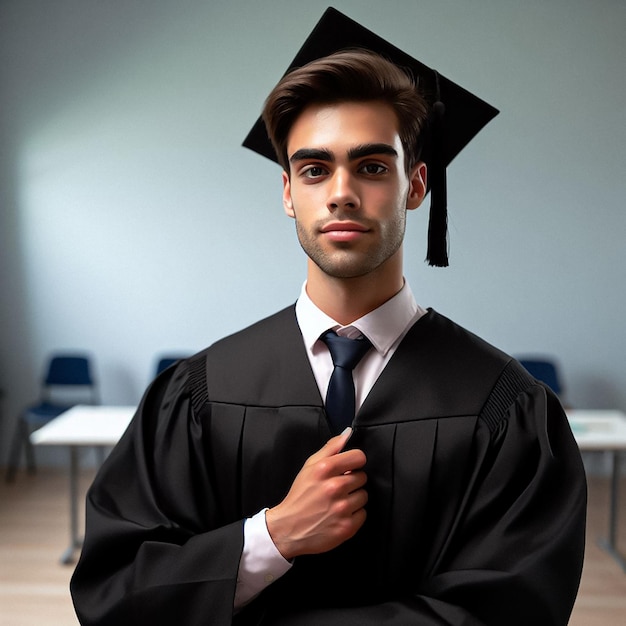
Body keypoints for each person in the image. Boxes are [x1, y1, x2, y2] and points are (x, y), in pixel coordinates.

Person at [70, 9, 586, 626]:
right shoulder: (201, 394)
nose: (341, 191)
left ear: (416, 185)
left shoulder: (507, 409)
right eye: (314, 169)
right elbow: (117, 589)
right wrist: (273, 536)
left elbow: (509, 612)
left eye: (371, 167)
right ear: (288, 192)